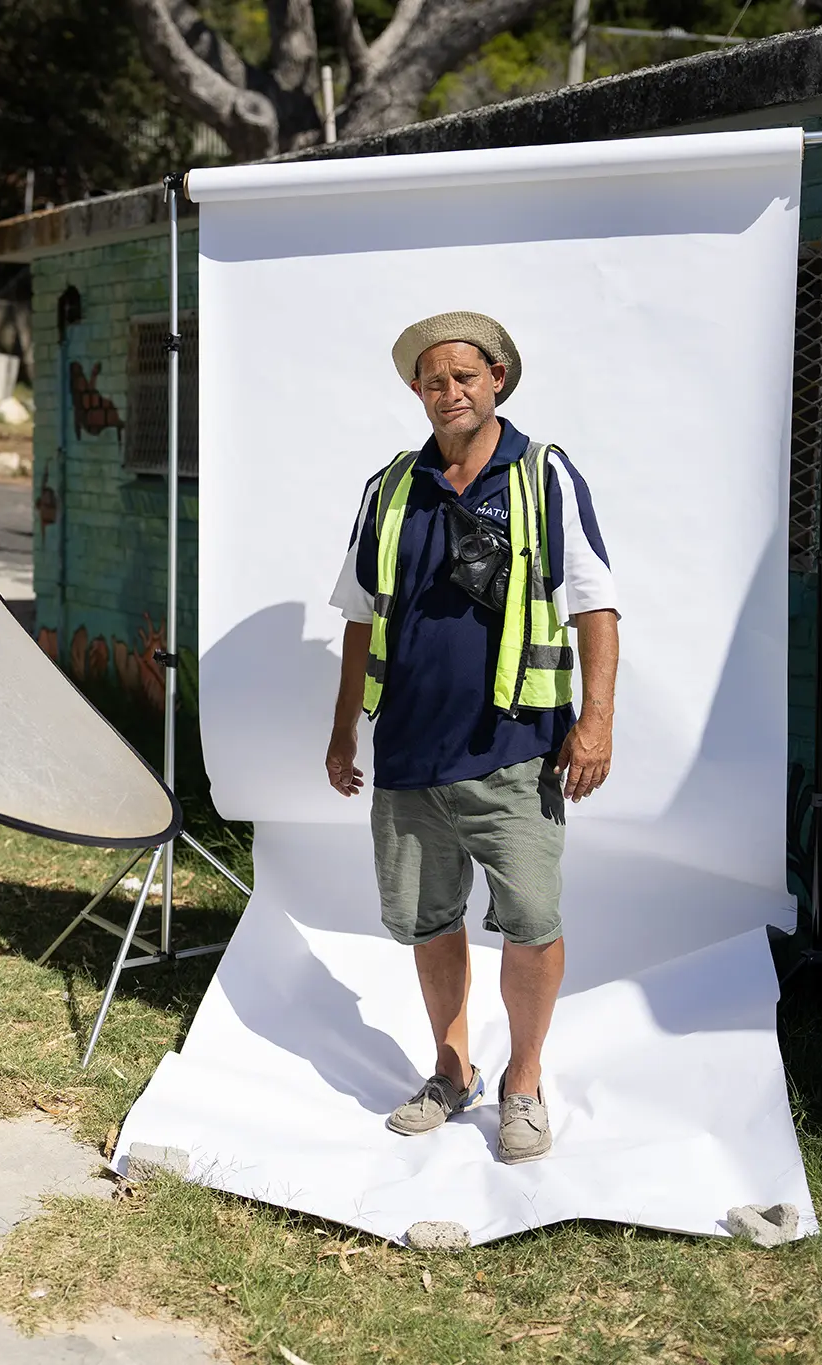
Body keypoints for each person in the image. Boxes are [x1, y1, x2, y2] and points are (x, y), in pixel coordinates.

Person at [325, 312, 620, 1165]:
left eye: (464, 375)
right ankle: (453, 1069)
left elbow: (594, 601)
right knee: (428, 920)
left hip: (515, 748)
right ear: (416, 392)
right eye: (431, 379)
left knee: (531, 920)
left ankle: (523, 1084)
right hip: (408, 754)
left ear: (497, 378)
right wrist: (344, 727)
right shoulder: (391, 487)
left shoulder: (543, 475)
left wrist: (595, 719)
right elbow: (358, 615)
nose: (448, 391)